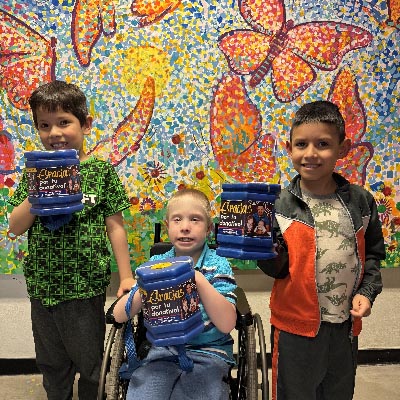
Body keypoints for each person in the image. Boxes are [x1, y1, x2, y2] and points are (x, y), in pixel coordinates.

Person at [8, 80, 136, 400]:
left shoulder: (100, 172)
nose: (54, 133)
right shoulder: (33, 172)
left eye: (64, 122)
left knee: (91, 364)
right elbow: (15, 226)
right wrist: (38, 190)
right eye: (44, 125)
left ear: (86, 124)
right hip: (43, 287)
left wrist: (125, 276)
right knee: (52, 364)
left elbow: (115, 227)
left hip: (84, 287)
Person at [257, 100, 386, 400]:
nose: (311, 153)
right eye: (301, 144)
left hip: (345, 329)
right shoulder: (278, 205)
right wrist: (259, 246)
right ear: (289, 148)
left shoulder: (361, 202)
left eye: (323, 144)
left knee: (338, 392)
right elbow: (277, 268)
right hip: (294, 330)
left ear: (343, 148)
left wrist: (367, 293)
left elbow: (373, 255)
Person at [113, 188, 237, 399]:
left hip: (208, 353)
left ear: (208, 228)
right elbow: (117, 315)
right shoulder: (155, 265)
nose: (185, 227)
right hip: (163, 351)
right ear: (167, 226)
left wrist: (197, 279)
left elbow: (226, 324)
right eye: (177, 220)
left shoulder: (218, 266)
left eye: (195, 219)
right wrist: (145, 287)